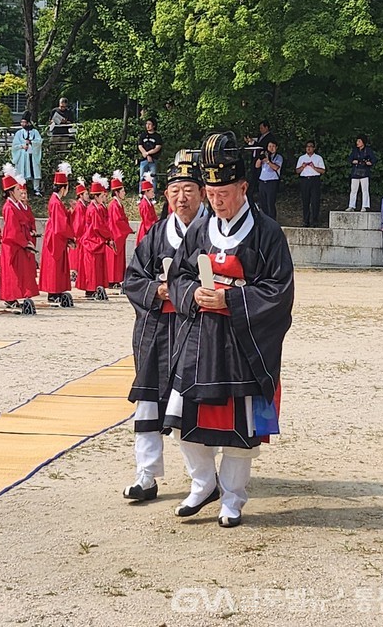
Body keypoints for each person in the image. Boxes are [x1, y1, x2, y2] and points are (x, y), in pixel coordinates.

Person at [165, 131, 294, 527]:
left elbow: (279, 291)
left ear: (242, 187)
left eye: (224, 192)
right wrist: (192, 295)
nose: (216, 200)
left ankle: (233, 497)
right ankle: (203, 483)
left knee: (241, 427)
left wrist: (233, 300)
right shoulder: (200, 231)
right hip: (201, 340)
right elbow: (180, 276)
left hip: (242, 343)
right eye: (211, 192)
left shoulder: (267, 232)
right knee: (183, 418)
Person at [123, 150, 207, 502]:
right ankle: (146, 475)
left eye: (188, 189)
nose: (181, 197)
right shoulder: (157, 234)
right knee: (148, 401)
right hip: (156, 327)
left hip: (196, 328)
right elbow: (132, 278)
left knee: (187, 403)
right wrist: (157, 289)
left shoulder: (213, 231)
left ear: (202, 192)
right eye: (174, 190)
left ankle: (202, 478)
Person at [0, 164, 39, 308]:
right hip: (13, 245)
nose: (19, 191)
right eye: (16, 189)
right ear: (10, 192)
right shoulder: (9, 207)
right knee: (12, 272)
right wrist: (25, 242)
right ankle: (10, 298)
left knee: (19, 272)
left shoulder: (15, 206)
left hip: (18, 243)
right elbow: (12, 230)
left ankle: (16, 296)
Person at [39, 163, 75, 303]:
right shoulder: (55, 202)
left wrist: (70, 212)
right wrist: (71, 237)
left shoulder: (56, 201)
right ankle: (53, 293)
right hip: (55, 237)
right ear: (63, 188)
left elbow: (62, 219)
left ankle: (56, 291)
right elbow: (60, 224)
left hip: (56, 236)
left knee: (57, 265)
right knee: (55, 266)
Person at [76, 174, 114, 299]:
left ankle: (94, 288)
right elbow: (98, 226)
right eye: (102, 196)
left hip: (94, 239)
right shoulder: (93, 209)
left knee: (95, 266)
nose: (104, 198)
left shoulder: (95, 207)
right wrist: (109, 237)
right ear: (96, 196)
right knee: (92, 266)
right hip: (91, 239)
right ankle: (91, 289)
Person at [106, 170, 134, 288]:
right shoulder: (113, 205)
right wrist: (127, 228)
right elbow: (117, 221)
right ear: (117, 192)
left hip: (119, 233)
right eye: (122, 191)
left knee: (118, 258)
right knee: (114, 258)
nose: (124, 193)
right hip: (115, 233)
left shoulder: (118, 204)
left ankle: (117, 279)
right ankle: (112, 280)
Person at [12, 112, 43, 196]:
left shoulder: (35, 132)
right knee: (22, 172)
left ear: (28, 123)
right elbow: (14, 146)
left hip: (32, 155)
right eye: (22, 122)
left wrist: (31, 142)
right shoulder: (18, 133)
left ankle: (36, 189)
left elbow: (39, 142)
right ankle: (22, 188)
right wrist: (22, 146)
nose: (23, 124)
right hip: (22, 156)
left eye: (24, 122)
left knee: (35, 172)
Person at [295, 141, 325, 227]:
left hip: (314, 179)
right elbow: (297, 171)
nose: (309, 148)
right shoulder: (301, 158)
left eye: (311, 146)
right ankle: (306, 220)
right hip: (304, 180)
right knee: (305, 200)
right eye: (307, 146)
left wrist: (314, 167)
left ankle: (315, 220)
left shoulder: (318, 158)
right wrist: (303, 167)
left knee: (315, 200)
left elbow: (323, 171)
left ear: (314, 148)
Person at [346, 135, 377, 212]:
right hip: (355, 171)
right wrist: (354, 161)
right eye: (357, 141)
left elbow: (374, 159)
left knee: (365, 190)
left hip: (365, 172)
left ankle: (365, 206)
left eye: (359, 141)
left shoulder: (368, 150)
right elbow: (350, 159)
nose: (357, 143)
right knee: (353, 190)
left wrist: (369, 162)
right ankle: (351, 206)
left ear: (363, 142)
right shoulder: (355, 150)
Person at [245, 120, 276, 191]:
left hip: (262, 159)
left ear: (266, 127)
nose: (260, 130)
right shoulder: (260, 136)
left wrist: (253, 142)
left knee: (258, 175)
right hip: (255, 158)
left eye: (262, 128)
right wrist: (250, 141)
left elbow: (262, 146)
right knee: (253, 175)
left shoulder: (270, 137)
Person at [255, 139, 282, 221]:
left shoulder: (278, 157)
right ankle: (265, 220)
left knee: (270, 202)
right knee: (263, 203)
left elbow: (276, 167)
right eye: (270, 146)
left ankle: (272, 220)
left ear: (276, 147)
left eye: (273, 146)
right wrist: (260, 158)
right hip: (262, 182)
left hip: (272, 182)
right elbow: (257, 166)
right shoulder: (265, 155)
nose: (271, 148)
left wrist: (267, 161)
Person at [69, 178, 89, 280]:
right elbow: (78, 222)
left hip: (82, 233)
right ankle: (74, 271)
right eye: (85, 194)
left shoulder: (83, 205)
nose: (88, 196)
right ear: (80, 195)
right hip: (80, 233)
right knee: (76, 254)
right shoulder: (80, 206)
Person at [138, 118, 163, 193]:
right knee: (142, 178)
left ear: (154, 125)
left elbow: (158, 147)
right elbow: (140, 146)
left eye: (149, 124)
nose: (147, 126)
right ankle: (141, 194)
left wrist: (148, 153)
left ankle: (153, 195)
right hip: (143, 160)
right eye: (146, 124)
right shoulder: (143, 135)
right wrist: (145, 154)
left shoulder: (157, 136)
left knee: (153, 178)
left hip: (153, 160)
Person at [136, 173, 157, 245]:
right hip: (146, 230)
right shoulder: (144, 204)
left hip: (148, 228)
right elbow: (148, 220)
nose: (153, 194)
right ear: (146, 192)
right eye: (151, 192)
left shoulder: (148, 202)